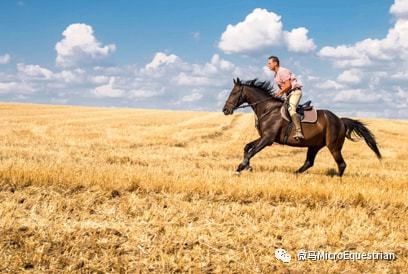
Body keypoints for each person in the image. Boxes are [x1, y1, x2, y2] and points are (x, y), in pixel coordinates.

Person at [267, 56, 304, 140]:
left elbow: (288, 85)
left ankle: (299, 132)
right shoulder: (276, 75)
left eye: (269, 63)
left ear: (275, 63)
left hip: (295, 92)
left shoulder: (282, 71)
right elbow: (282, 89)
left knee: (291, 109)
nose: (268, 65)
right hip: (288, 94)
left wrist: (279, 93)